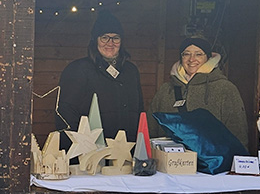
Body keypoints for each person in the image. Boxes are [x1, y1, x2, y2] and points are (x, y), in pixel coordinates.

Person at [57, 10, 144, 141]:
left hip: (126, 148)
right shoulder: (79, 70)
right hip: (90, 153)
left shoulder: (131, 71)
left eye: (116, 37)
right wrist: (76, 146)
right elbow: (65, 112)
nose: (110, 43)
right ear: (95, 40)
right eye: (104, 37)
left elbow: (139, 111)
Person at [148, 37, 248, 145]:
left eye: (198, 54)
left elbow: (238, 133)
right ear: (181, 58)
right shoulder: (165, 90)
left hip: (212, 161)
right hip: (171, 159)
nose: (192, 59)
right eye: (186, 54)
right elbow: (150, 129)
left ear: (208, 58)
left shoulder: (225, 89)